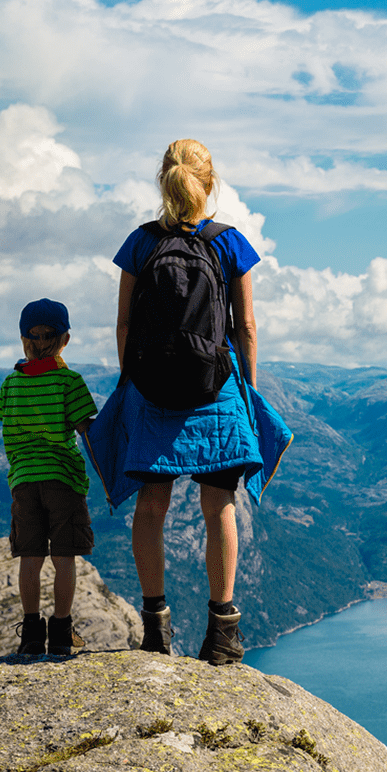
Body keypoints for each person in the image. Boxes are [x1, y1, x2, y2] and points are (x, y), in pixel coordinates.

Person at [91, 137, 289, 666]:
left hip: (151, 386)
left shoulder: (139, 243)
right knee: (219, 505)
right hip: (216, 385)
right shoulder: (229, 243)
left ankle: (155, 625)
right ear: (210, 182)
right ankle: (222, 629)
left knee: (151, 505)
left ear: (164, 179)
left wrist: (131, 379)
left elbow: (126, 324)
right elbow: (244, 325)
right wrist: (245, 388)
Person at [0, 298, 98, 656]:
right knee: (64, 558)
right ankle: (60, 632)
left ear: (24, 338)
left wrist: (22, 466)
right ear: (65, 339)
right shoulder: (70, 381)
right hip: (63, 480)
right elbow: (87, 429)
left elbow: (8, 430)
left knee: (30, 557)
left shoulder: (10, 382)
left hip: (23, 480)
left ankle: (29, 633)